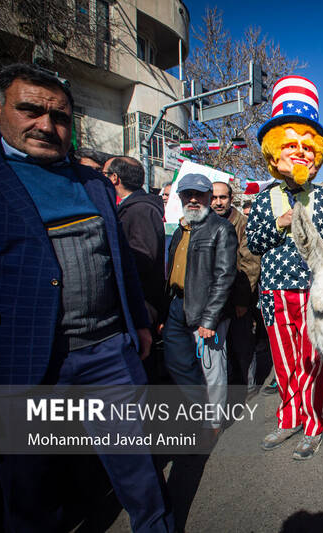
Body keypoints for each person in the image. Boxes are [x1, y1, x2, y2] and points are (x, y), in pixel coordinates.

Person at [0, 63, 172, 531]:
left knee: (136, 470)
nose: (46, 126)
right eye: (30, 110)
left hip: (107, 352)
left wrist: (140, 324)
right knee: (29, 489)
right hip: (21, 364)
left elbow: (121, 263)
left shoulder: (93, 183)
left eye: (60, 116)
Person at [247, 75, 323, 460]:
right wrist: (280, 222)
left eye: (308, 147)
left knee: (315, 362)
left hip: (314, 294)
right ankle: (289, 418)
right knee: (285, 361)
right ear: (274, 152)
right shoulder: (262, 198)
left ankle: (314, 424)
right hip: (274, 293)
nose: (300, 153)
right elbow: (254, 242)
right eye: (291, 145)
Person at [164, 173, 237, 434]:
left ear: (207, 196)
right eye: (187, 194)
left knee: (211, 368)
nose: (193, 199)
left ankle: (213, 423)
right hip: (177, 306)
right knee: (178, 363)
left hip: (206, 310)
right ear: (180, 197)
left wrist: (210, 319)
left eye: (199, 194)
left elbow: (224, 276)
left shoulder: (221, 228)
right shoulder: (181, 229)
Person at [211, 180, 262, 396]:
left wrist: (242, 300)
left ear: (231, 199)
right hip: (214, 298)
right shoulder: (205, 222)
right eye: (213, 198)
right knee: (220, 347)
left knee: (242, 344)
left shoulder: (243, 224)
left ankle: (249, 385)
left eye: (222, 197)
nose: (218, 202)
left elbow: (250, 264)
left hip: (237, 296)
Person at [106, 156, 166, 327]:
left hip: (141, 304)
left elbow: (143, 258)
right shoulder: (129, 208)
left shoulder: (140, 210)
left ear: (115, 178)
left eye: (103, 173)